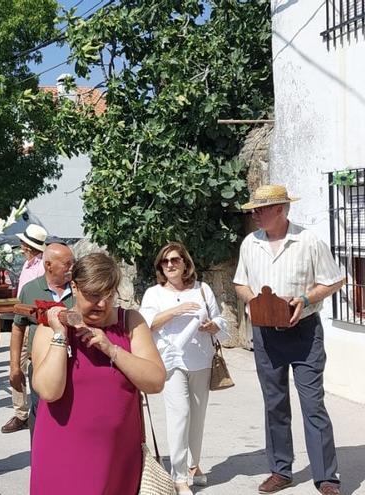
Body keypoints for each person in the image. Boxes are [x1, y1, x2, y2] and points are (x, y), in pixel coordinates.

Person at [233, 185, 344, 495]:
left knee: (313, 404)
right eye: (253, 209)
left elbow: (334, 279)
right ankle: (281, 471)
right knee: (275, 404)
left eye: (260, 209)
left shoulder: (308, 240)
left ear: (280, 209)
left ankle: (327, 478)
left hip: (304, 332)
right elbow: (241, 284)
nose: (254, 214)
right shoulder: (249, 244)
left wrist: (305, 300)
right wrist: (256, 302)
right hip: (266, 334)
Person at [30, 252, 166, 495]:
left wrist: (112, 349)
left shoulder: (130, 322)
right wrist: (60, 335)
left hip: (119, 456)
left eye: (109, 295)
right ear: (74, 286)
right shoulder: (50, 328)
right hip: (63, 454)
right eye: (93, 295)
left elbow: (155, 382)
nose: (102, 304)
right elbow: (49, 391)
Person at [139, 242, 229, 495]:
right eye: (165, 262)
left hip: (200, 359)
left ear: (185, 263)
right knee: (180, 414)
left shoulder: (203, 289)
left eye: (175, 260)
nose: (170, 265)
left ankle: (193, 465)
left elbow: (219, 318)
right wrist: (175, 310)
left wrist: (213, 325)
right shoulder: (154, 294)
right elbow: (147, 324)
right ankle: (178, 476)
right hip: (170, 362)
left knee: (197, 416)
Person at [9, 242, 74, 436]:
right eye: (67, 264)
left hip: (74, 365)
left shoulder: (79, 289)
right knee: (41, 418)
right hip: (40, 366)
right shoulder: (30, 290)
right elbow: (18, 328)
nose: (71, 268)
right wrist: (15, 367)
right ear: (49, 265)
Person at [3, 224, 48, 434]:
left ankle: (24, 412)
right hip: (21, 319)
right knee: (17, 366)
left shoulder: (39, 267)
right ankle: (21, 411)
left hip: (30, 322)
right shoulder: (30, 265)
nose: (21, 247)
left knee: (25, 365)